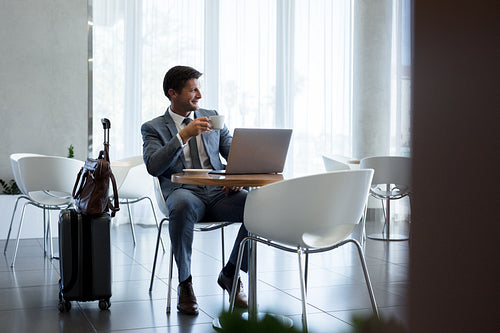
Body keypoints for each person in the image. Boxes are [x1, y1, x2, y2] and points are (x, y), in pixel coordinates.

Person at [141, 65, 248, 315]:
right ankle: (185, 283)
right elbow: (154, 166)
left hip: (219, 193)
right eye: (193, 90)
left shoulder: (213, 116)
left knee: (257, 208)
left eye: (199, 89)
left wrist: (238, 176)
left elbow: (233, 153)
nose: (199, 94)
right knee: (181, 205)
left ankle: (231, 273)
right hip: (184, 193)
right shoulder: (153, 127)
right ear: (173, 93)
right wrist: (183, 136)